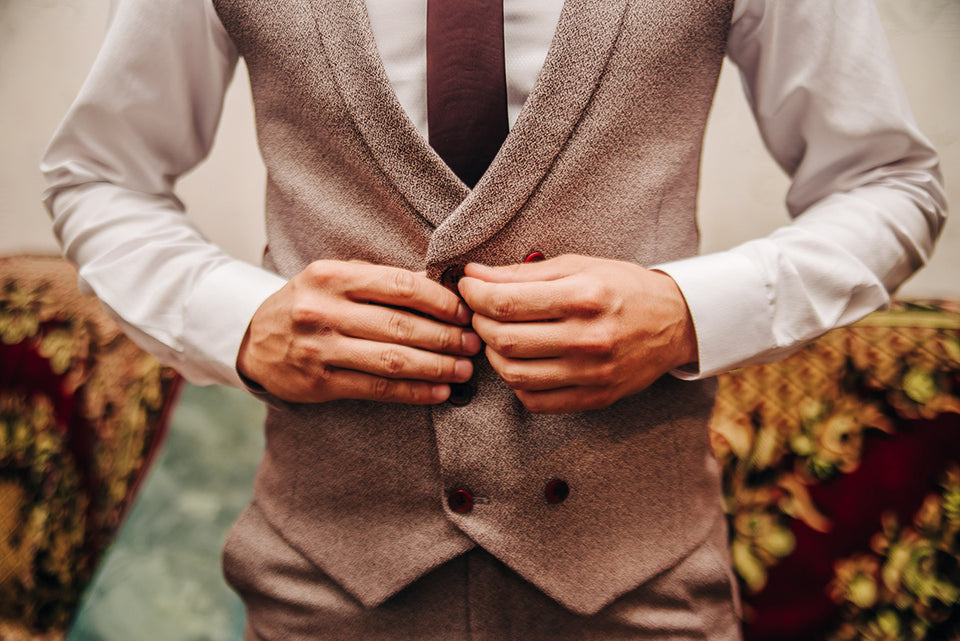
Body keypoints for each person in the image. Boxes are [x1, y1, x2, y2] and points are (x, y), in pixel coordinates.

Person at [42, 0, 945, 639]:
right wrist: (238, 321)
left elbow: (889, 185)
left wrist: (684, 312)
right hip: (320, 585)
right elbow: (100, 174)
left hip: (644, 588)